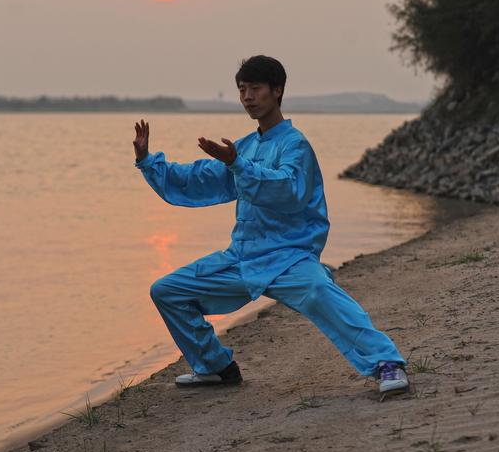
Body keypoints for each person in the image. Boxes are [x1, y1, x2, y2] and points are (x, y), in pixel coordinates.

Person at [132, 55, 409, 395]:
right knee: (168, 291)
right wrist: (149, 163)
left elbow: (287, 189)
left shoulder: (295, 145)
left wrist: (238, 164)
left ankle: (387, 364)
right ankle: (216, 367)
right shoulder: (246, 145)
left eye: (255, 89)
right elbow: (201, 178)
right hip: (242, 258)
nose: (247, 97)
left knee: (323, 292)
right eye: (242, 89)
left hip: (289, 257)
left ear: (276, 91)